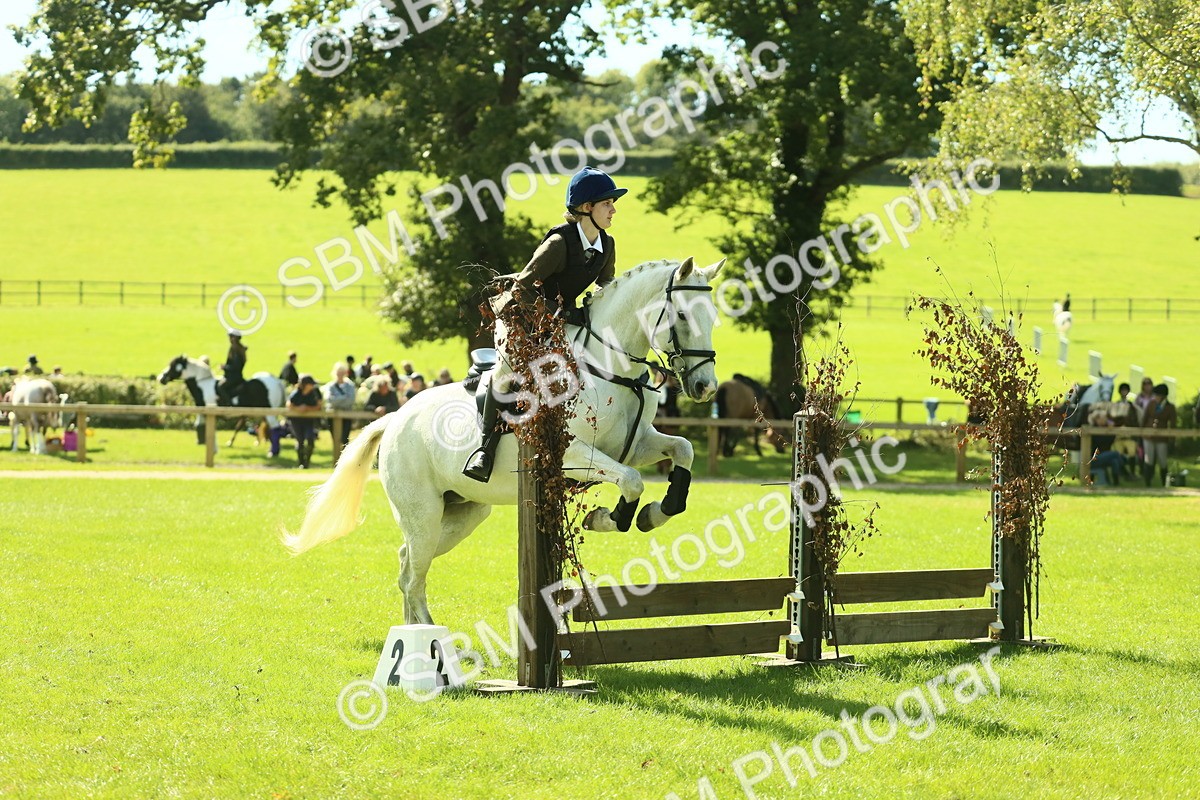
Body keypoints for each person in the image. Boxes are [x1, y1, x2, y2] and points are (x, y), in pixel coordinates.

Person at [463, 165, 625, 481]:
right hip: (520, 316)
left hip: (561, 320)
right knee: (507, 372)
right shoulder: (559, 244)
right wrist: (561, 313)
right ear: (587, 207)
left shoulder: (607, 245)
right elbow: (521, 289)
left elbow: (607, 286)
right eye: (607, 203)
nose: (613, 210)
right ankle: (485, 448)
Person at [1142, 384, 1177, 486]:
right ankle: (1147, 483)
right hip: (1148, 436)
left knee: (1162, 461)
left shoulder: (1170, 407)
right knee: (1149, 459)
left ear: (1163, 397)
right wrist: (1141, 432)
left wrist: (1172, 440)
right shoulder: (1151, 403)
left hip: (1161, 438)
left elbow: (1173, 425)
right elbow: (1144, 418)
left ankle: (1163, 483)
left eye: (1157, 395)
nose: (1156, 397)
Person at [287, 374, 322, 469]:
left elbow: (319, 406)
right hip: (296, 421)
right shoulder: (296, 393)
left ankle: (307, 462)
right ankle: (301, 462)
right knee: (300, 440)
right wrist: (299, 409)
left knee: (310, 439)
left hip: (309, 420)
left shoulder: (314, 393)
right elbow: (289, 405)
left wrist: (307, 408)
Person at [324, 362, 357, 448]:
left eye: (342, 372)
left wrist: (337, 399)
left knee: (344, 439)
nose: (340, 375)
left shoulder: (350, 385)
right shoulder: (331, 386)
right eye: (338, 373)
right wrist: (344, 397)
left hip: (346, 415)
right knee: (335, 439)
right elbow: (330, 400)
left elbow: (351, 401)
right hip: (332, 415)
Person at [221, 330, 247, 403]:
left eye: (231, 337)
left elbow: (236, 367)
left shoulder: (236, 350)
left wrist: (225, 367)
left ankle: (229, 404)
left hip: (234, 377)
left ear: (235, 338)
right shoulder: (237, 348)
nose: (230, 339)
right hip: (234, 376)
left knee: (221, 387)